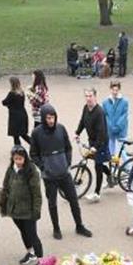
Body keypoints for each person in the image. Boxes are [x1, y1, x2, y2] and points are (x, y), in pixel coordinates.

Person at [30, 103, 92, 240]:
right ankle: (56, 228)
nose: (51, 120)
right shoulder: (36, 133)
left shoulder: (61, 128)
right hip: (49, 177)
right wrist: (43, 167)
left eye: (52, 117)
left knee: (74, 200)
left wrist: (67, 163)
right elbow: (33, 154)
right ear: (43, 118)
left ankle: (79, 225)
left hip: (64, 174)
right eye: (48, 118)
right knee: (52, 203)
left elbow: (68, 147)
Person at [0, 145, 45, 265]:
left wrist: (36, 211)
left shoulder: (31, 171)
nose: (18, 161)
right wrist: (4, 205)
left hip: (28, 211)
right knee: (23, 232)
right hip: (14, 210)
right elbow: (6, 186)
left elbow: (36, 193)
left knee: (32, 234)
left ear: (25, 158)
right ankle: (30, 252)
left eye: (20, 159)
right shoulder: (11, 169)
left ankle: (41, 259)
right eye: (16, 159)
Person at [74, 87, 111, 201]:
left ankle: (97, 193)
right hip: (92, 141)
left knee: (97, 166)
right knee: (95, 161)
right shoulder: (86, 108)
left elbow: (102, 132)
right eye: (86, 96)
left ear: (95, 96)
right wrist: (77, 132)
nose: (88, 98)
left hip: (101, 142)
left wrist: (96, 147)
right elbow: (83, 121)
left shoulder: (99, 112)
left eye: (90, 96)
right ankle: (110, 175)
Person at [102, 81, 130, 160]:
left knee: (122, 151)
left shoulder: (124, 102)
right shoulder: (105, 102)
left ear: (119, 90)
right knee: (111, 151)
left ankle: (128, 167)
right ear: (110, 89)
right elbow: (105, 115)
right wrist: (110, 125)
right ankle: (112, 167)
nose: (115, 92)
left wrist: (117, 126)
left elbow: (124, 116)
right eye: (113, 90)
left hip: (121, 130)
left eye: (116, 90)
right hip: (110, 130)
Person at [3, 76, 32, 147]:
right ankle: (34, 144)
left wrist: (9, 105)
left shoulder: (12, 93)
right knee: (23, 134)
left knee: (16, 135)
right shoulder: (21, 93)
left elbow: (4, 102)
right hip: (22, 114)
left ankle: (18, 149)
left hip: (15, 116)